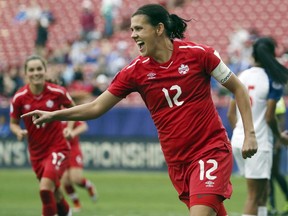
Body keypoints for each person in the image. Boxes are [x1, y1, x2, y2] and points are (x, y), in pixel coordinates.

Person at [22, 4, 258, 216]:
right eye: (132, 29)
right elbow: (96, 107)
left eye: (139, 29)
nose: (133, 35)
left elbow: (238, 89)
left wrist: (250, 134)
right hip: (178, 161)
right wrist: (55, 115)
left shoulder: (200, 54)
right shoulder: (135, 72)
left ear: (158, 29)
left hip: (210, 150)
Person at [227, 37, 288, 216]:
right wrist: (280, 137)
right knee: (254, 196)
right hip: (259, 143)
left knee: (262, 193)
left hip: (239, 142)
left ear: (253, 54)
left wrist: (241, 134)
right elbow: (269, 117)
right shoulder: (272, 79)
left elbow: (231, 114)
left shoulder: (242, 76)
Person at [10, 55, 75, 216]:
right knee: (56, 193)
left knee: (46, 189)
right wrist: (18, 132)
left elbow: (73, 110)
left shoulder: (57, 92)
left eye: (39, 69)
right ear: (26, 73)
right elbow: (13, 122)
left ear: (45, 71)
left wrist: (70, 128)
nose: (36, 73)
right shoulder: (19, 98)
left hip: (58, 148)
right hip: (37, 153)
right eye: (31, 70)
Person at [61, 119, 97, 212]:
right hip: (61, 150)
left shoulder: (68, 112)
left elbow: (84, 126)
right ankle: (77, 205)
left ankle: (89, 186)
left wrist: (72, 133)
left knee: (75, 179)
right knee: (65, 180)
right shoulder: (53, 113)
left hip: (73, 150)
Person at [269, 97, 288, 216]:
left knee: (274, 172)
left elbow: (281, 121)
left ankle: (284, 199)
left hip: (275, 139)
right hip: (265, 138)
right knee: (269, 174)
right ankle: (273, 206)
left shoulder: (278, 98)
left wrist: (279, 141)